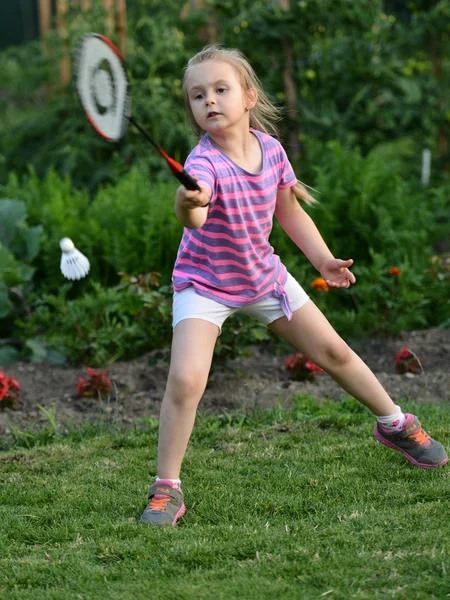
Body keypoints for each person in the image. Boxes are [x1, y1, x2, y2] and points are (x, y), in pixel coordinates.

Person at [140, 46, 447, 526]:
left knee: (336, 353)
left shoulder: (272, 150)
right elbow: (195, 218)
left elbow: (289, 211)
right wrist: (187, 203)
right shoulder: (203, 164)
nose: (210, 101)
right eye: (198, 96)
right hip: (205, 285)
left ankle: (396, 424)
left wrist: (322, 260)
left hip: (263, 277)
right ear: (193, 111)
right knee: (185, 380)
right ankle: (166, 488)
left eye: (221, 90)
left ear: (248, 96)